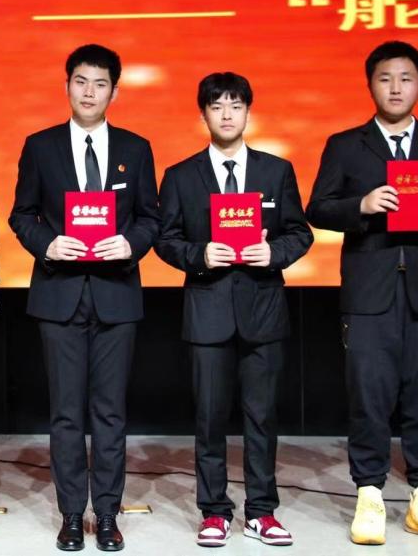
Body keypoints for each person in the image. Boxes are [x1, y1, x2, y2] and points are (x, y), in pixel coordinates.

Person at [305, 41, 418, 545]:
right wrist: (360, 205)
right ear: (371, 85)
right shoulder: (346, 144)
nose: (396, 88)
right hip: (369, 291)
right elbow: (317, 208)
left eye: (406, 78)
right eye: (385, 78)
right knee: (370, 395)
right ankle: (369, 496)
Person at [9, 44, 159, 551]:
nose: (89, 92)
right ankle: (72, 513)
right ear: (67, 85)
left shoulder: (136, 148)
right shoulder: (40, 146)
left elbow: (151, 217)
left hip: (117, 294)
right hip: (60, 294)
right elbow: (21, 214)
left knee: (111, 413)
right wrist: (47, 243)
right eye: (80, 81)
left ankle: (108, 514)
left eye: (99, 83)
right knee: (67, 413)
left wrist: (131, 243)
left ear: (114, 91)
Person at [155, 72, 311, 548]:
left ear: (248, 112)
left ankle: (262, 511)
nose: (227, 114)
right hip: (208, 310)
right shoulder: (181, 176)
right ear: (203, 113)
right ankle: (214, 510)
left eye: (236, 105)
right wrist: (200, 254)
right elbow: (165, 240)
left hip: (263, 309)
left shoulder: (276, 171)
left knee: (262, 416)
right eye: (217, 106)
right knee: (209, 417)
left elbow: (299, 232)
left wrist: (274, 253)